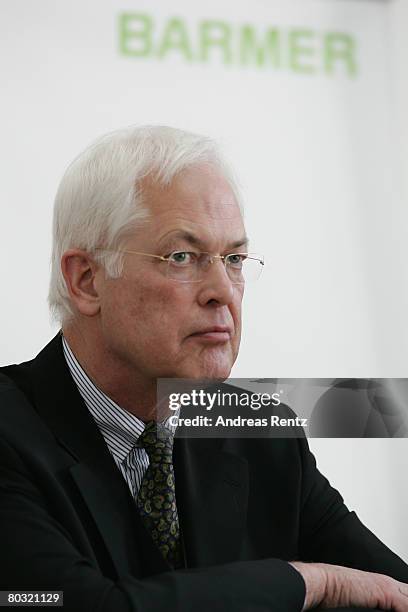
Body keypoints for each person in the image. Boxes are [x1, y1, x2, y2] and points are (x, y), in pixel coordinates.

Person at [1, 125, 408, 612]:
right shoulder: (9, 429)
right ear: (87, 280)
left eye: (234, 259)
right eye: (182, 257)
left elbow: (391, 590)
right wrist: (307, 585)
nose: (223, 290)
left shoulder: (260, 431)